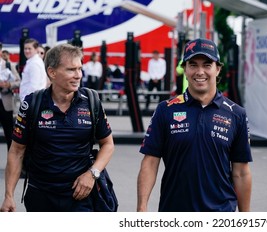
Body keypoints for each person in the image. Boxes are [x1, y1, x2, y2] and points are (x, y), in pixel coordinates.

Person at [137, 38, 252, 212]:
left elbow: (241, 172)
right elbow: (150, 162)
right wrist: (142, 208)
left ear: (218, 69)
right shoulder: (165, 110)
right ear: (184, 68)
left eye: (207, 65)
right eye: (193, 65)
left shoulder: (236, 114)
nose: (200, 72)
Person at [0, 43, 115, 212]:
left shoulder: (91, 101)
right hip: (41, 196)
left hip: (80, 195)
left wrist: (92, 174)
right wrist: (9, 195)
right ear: (52, 72)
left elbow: (108, 144)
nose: (78, 75)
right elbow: (17, 151)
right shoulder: (32, 103)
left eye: (79, 69)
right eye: (71, 70)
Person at [0, 44, 21, 150]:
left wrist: (8, 85)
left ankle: (11, 164)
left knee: (9, 134)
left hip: (6, 103)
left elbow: (18, 81)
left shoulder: (8, 65)